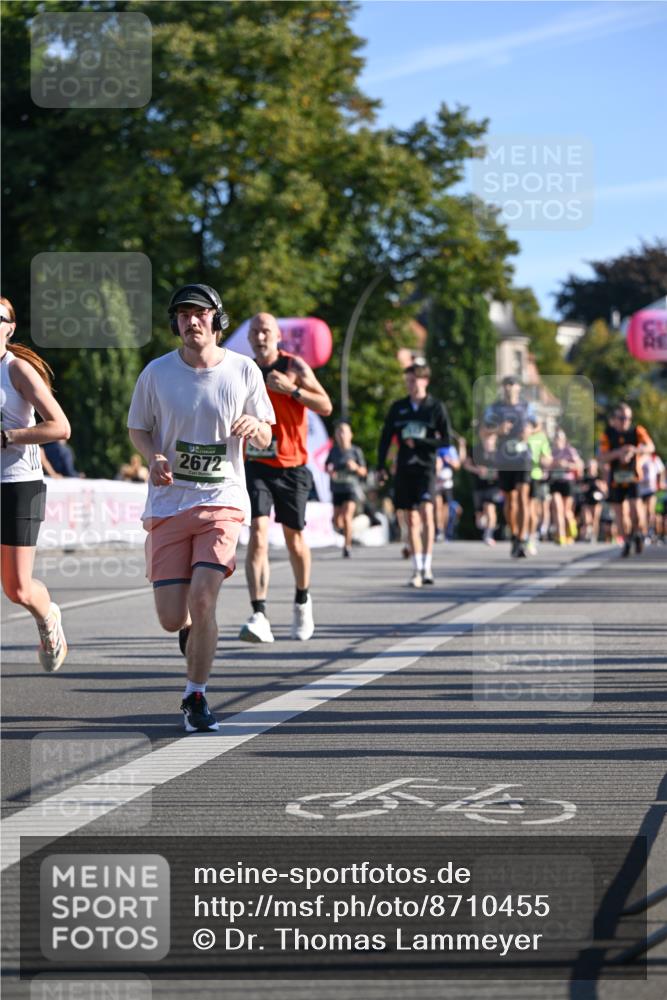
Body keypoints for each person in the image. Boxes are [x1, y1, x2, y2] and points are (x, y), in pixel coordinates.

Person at [127, 283, 275, 732]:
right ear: (175, 322)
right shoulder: (156, 373)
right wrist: (152, 456)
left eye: (201, 313)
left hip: (222, 500)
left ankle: (196, 695)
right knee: (174, 617)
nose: (192, 321)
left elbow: (268, 435)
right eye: (184, 314)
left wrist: (256, 426)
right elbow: (139, 427)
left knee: (204, 597)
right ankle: (195, 636)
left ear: (217, 319)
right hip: (170, 504)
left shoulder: (244, 370)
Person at [240, 312, 332, 643]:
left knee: (294, 538)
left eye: (265, 331)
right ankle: (259, 613)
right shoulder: (244, 370)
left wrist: (292, 390)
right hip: (257, 463)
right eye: (254, 331)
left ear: (278, 336)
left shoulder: (295, 366)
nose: (259, 336)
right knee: (259, 533)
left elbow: (325, 405)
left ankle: (302, 600)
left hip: (292, 466)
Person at [0, 295, 70, 672]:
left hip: (17, 485)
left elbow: (60, 427)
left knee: (18, 589)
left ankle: (47, 619)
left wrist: (8, 437)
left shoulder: (18, 370)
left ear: (9, 328)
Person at [377, 361, 451, 587]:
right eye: (407, 381)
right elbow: (386, 437)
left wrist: (420, 442)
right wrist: (380, 466)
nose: (410, 385)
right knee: (411, 518)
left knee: (427, 513)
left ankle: (428, 565)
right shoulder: (398, 407)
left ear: (424, 381)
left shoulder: (435, 407)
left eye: (414, 381)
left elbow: (445, 440)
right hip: (405, 468)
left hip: (426, 467)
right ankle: (417, 568)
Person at [482, 376, 536, 558]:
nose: (509, 388)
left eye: (512, 385)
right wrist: (497, 430)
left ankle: (523, 538)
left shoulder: (526, 407)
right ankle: (514, 534)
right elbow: (483, 430)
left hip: (523, 457)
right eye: (506, 385)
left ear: (519, 387)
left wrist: (529, 431)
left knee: (523, 497)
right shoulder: (495, 408)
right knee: (510, 501)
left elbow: (538, 426)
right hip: (504, 458)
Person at [599, 403, 654, 557]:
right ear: (614, 419)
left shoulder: (637, 431)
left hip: (633, 477)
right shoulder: (608, 434)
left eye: (628, 418)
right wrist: (618, 453)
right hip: (616, 479)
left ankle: (638, 533)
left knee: (636, 511)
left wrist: (633, 450)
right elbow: (602, 458)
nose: (625, 421)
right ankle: (627, 540)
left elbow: (650, 447)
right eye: (622, 418)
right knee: (620, 513)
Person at [325, 420, 367, 558]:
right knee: (337, 521)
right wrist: (330, 471)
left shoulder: (356, 451)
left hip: (351, 488)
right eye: (338, 432)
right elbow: (326, 466)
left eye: (344, 432)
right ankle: (348, 534)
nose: (341, 435)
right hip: (337, 488)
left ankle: (347, 546)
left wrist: (355, 467)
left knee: (347, 517)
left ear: (350, 435)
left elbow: (363, 471)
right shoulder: (334, 451)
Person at [464, 427, 501, 546]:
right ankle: (483, 522)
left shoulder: (499, 452)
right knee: (480, 516)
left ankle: (489, 534)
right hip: (479, 485)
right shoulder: (476, 450)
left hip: (493, 486)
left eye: (491, 438)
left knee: (490, 507)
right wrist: (477, 470)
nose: (489, 440)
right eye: (487, 437)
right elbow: (466, 465)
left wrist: (496, 473)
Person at [548, 428, 583, 545]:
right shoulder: (551, 452)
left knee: (566, 511)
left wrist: (566, 464)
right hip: (555, 482)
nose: (557, 440)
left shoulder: (569, 451)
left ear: (564, 439)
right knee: (557, 509)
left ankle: (571, 528)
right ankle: (560, 535)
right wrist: (552, 464)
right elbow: (545, 465)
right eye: (556, 438)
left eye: (560, 438)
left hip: (567, 482)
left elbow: (579, 465)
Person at [526, 416, 551, 552]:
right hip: (519, 474)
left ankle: (531, 537)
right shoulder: (520, 434)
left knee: (532, 509)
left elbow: (548, 457)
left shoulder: (541, 437)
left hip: (534, 476)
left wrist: (544, 460)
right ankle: (521, 535)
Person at [434, 441, 460, 542]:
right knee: (437, 505)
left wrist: (449, 461)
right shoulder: (432, 446)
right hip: (435, 483)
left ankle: (444, 531)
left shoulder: (450, 449)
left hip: (447, 484)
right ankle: (439, 530)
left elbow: (457, 465)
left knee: (445, 508)